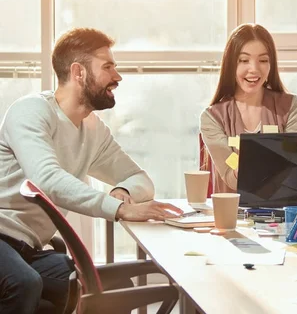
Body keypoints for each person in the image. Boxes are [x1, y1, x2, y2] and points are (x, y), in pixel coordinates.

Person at [0, 28, 183, 314]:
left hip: (30, 250)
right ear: (79, 72)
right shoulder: (31, 112)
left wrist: (122, 193)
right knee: (25, 284)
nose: (117, 77)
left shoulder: (93, 130)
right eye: (107, 67)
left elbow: (141, 180)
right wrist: (120, 210)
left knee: (114, 292)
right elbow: (46, 180)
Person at [201, 23, 297, 193]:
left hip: (280, 213)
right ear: (231, 64)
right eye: (244, 60)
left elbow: (292, 170)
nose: (254, 69)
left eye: (263, 60)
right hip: (233, 216)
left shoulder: (291, 107)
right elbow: (231, 178)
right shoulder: (212, 118)